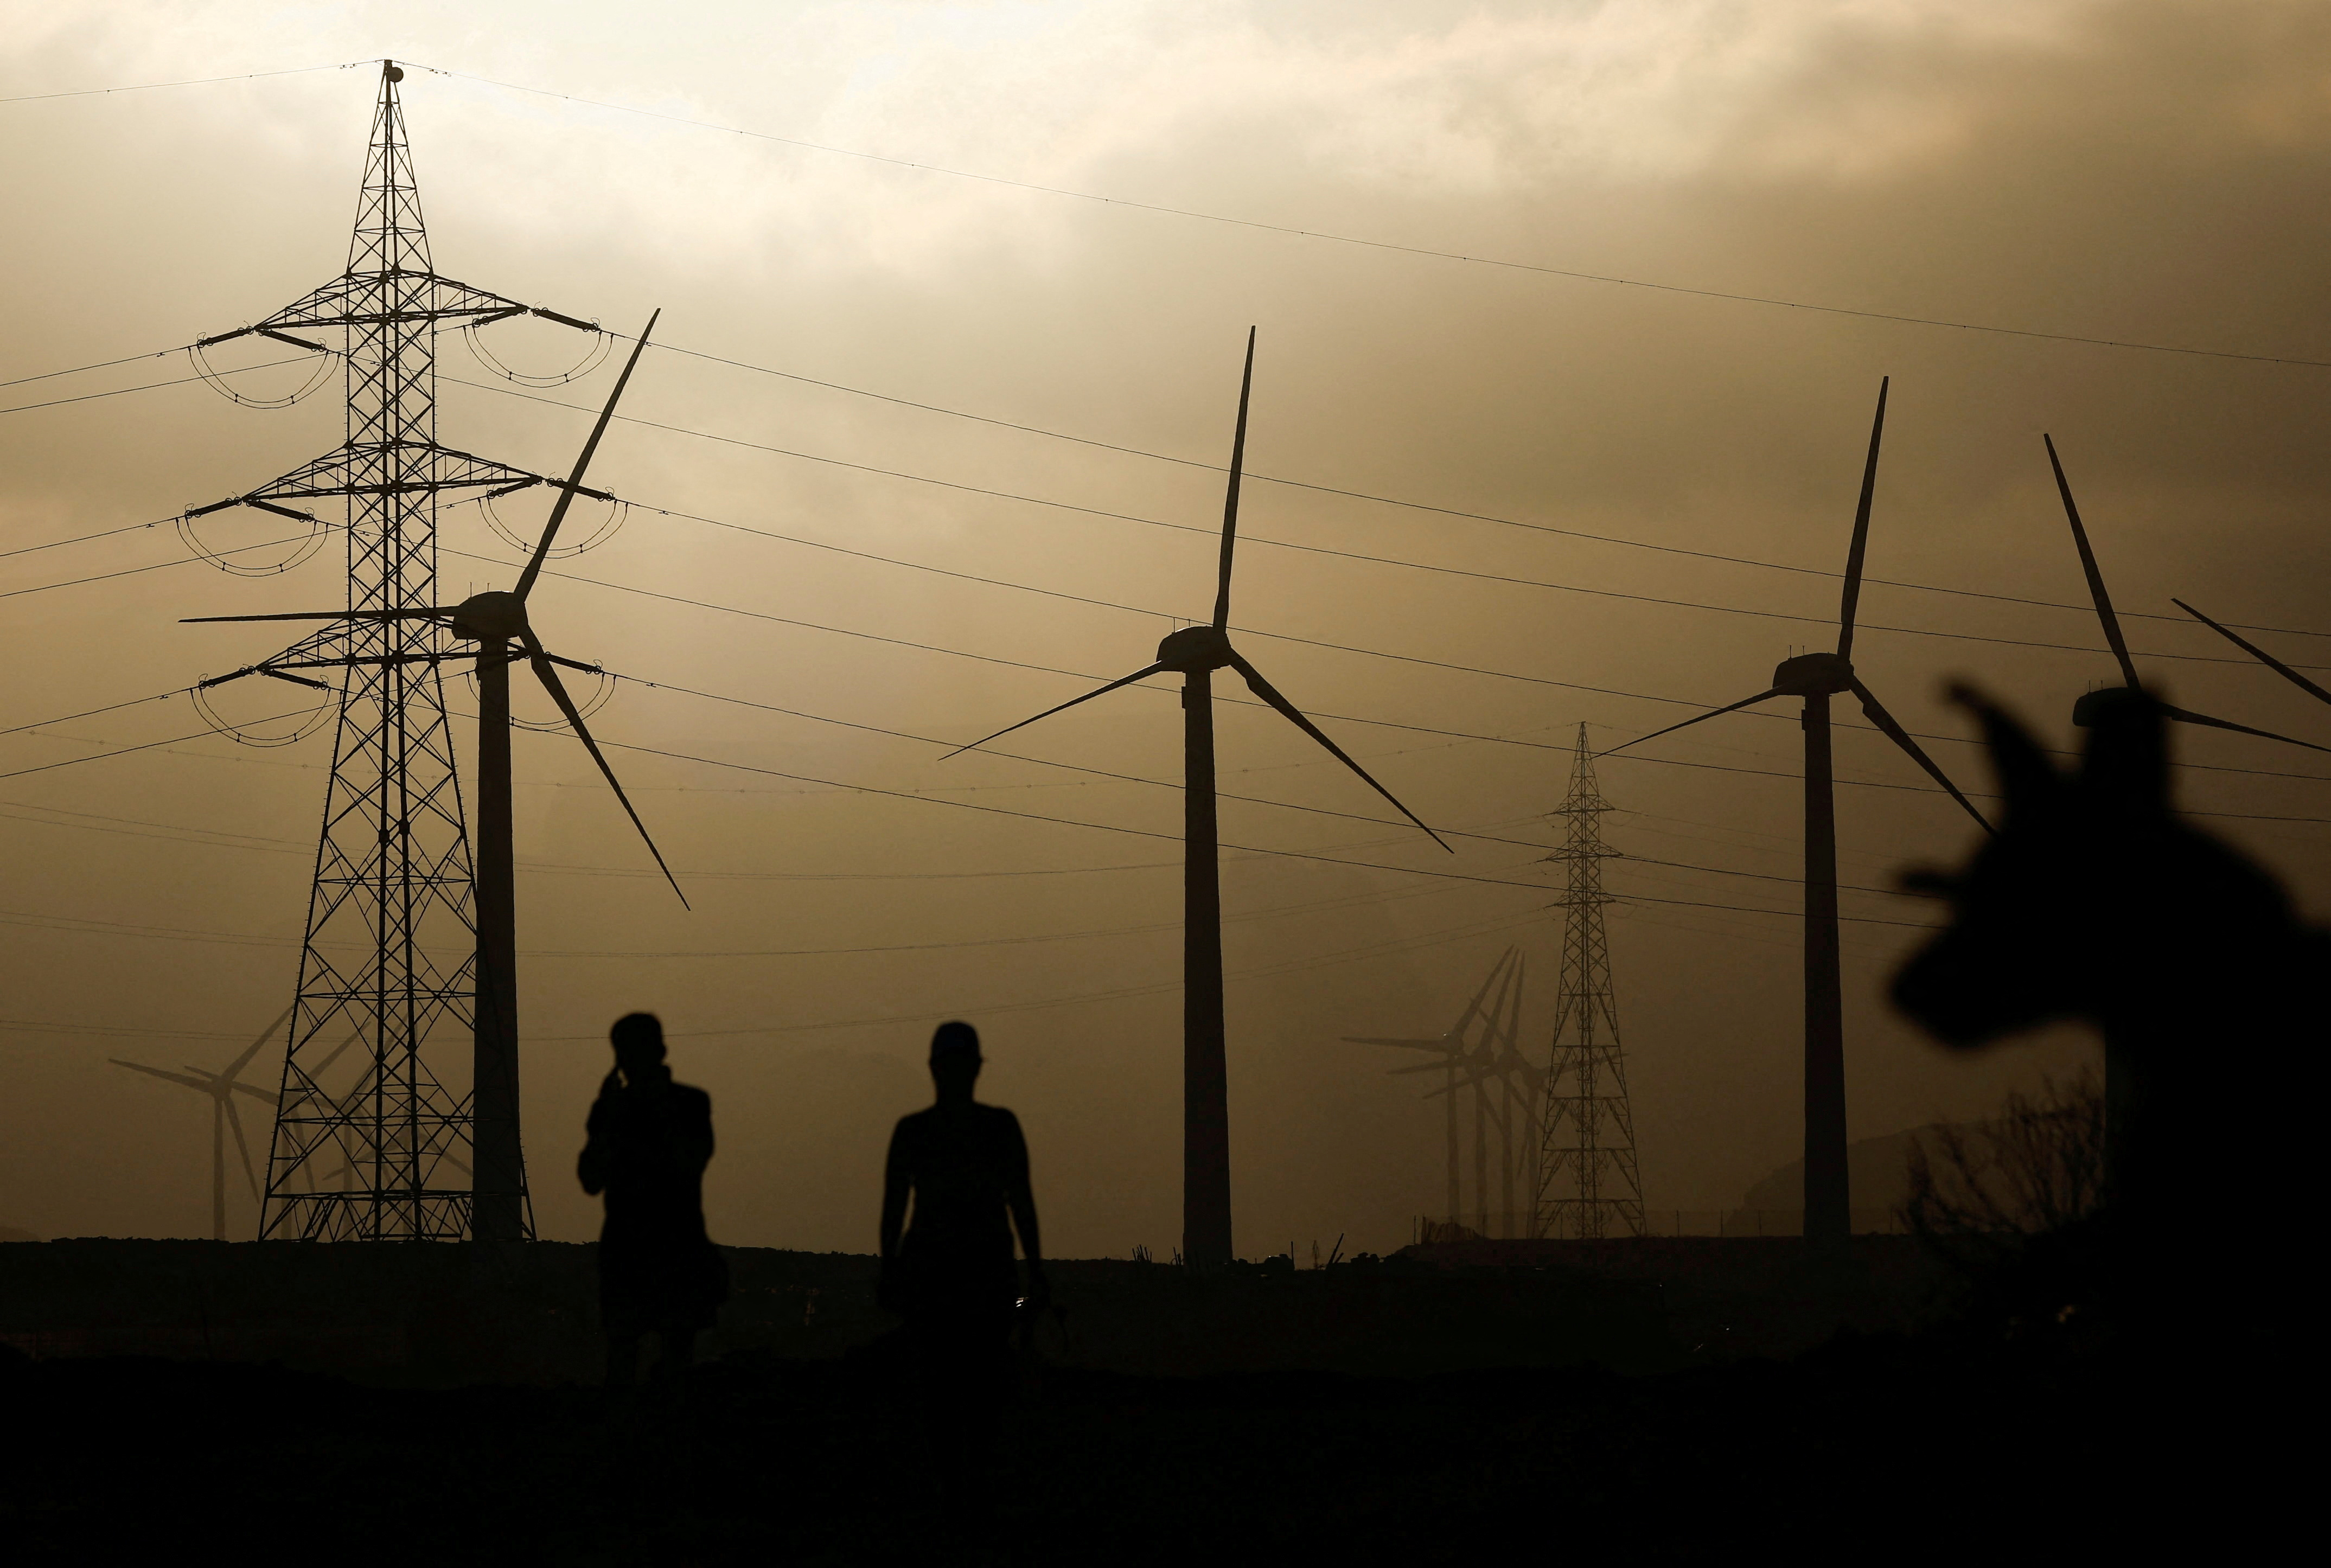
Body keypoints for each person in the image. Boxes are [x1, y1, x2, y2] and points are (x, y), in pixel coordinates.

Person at [879, 1021, 1046, 1388]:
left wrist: (889, 1269)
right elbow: (1022, 1204)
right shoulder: (1000, 1127)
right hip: (985, 1271)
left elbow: (894, 1208)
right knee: (981, 1384)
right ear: (976, 1068)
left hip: (932, 1273)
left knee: (937, 1386)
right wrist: (1035, 1271)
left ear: (933, 1068)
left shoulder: (914, 1131)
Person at [577, 1012, 726, 1387]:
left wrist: (611, 1119)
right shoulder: (690, 1103)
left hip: (644, 1246)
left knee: (631, 1355)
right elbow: (591, 1178)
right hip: (667, 1245)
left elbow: (591, 1179)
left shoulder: (667, 1106)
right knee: (670, 1353)